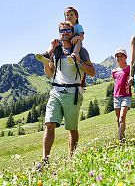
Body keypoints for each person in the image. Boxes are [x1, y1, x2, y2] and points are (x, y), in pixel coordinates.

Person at [39, 21, 95, 162]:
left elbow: (92, 72)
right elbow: (51, 73)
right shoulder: (56, 50)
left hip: (73, 93)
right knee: (49, 124)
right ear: (59, 33)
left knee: (72, 128)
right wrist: (46, 65)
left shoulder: (81, 50)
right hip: (56, 91)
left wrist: (79, 62)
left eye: (68, 30)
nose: (65, 33)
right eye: (62, 31)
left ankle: (71, 157)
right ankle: (45, 160)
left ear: (72, 31)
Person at [112, 48, 132, 142]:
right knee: (118, 119)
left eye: (121, 56)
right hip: (116, 97)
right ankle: (123, 136)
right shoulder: (114, 71)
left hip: (126, 96)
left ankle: (120, 141)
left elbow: (132, 79)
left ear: (126, 57)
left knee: (122, 117)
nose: (119, 58)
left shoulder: (129, 68)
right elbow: (116, 82)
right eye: (117, 56)